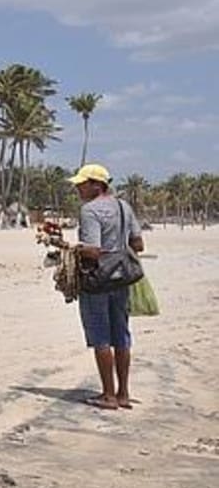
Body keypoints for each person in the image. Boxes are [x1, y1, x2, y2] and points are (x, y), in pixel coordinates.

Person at [70, 163, 144, 410]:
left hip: (97, 280)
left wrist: (71, 248)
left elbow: (93, 250)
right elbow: (138, 244)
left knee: (101, 336)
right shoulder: (124, 206)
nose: (78, 188)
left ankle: (108, 396)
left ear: (96, 185)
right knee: (121, 335)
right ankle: (123, 393)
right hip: (122, 278)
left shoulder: (90, 210)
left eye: (82, 184)